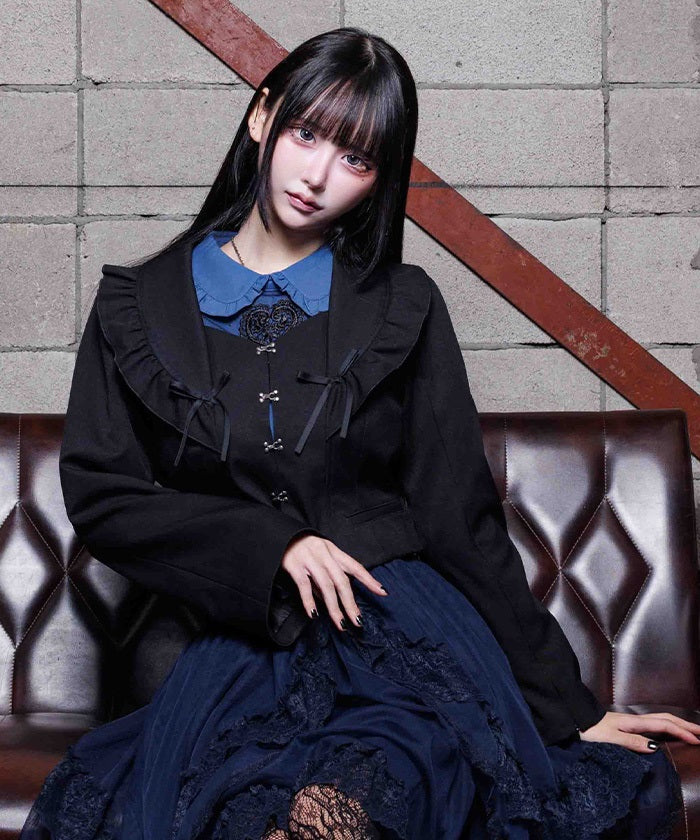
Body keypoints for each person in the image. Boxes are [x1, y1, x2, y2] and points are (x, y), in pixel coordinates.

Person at [19, 25, 691, 840]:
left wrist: (568, 708)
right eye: (306, 134)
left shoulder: (400, 305)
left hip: (400, 641)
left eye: (356, 159)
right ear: (262, 117)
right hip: (233, 649)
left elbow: (460, 519)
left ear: (379, 179)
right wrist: (272, 546)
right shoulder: (139, 306)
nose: (319, 176)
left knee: (354, 803)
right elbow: (105, 495)